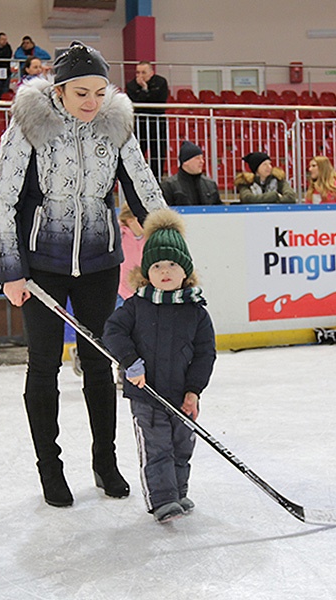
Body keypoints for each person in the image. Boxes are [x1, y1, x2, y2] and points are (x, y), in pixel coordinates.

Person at [0, 41, 167, 508]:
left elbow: (142, 184)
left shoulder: (115, 126)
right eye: (82, 93)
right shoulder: (30, 126)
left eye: (100, 92)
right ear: (60, 90)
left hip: (99, 264)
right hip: (41, 268)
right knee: (43, 367)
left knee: (98, 366)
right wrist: (11, 269)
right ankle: (50, 468)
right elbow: (2, 201)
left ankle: (105, 463)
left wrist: (169, 240)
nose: (92, 102)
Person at [102, 208, 216, 523]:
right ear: (145, 272)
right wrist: (129, 362)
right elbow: (112, 332)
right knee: (157, 448)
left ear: (186, 271)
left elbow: (205, 353)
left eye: (171, 264)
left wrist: (194, 391)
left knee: (181, 446)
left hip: (181, 396)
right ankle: (163, 499)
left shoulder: (196, 312)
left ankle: (178, 492)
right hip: (146, 395)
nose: (164, 271)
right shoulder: (136, 306)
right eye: (156, 265)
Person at [125, 61, 169, 179]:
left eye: (143, 72)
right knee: (137, 154)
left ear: (151, 73)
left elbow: (159, 101)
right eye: (138, 72)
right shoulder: (131, 85)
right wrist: (145, 90)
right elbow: (137, 104)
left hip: (157, 124)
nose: (140, 75)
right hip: (140, 126)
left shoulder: (161, 82)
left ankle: (157, 180)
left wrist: (145, 92)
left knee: (158, 154)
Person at [160, 141, 221, 206]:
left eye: (202, 158)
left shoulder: (210, 185)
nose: (202, 161)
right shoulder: (169, 186)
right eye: (197, 158)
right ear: (185, 162)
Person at [117, 205, 145, 305]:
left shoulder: (148, 240)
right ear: (131, 221)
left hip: (140, 292)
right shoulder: (120, 234)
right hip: (119, 292)